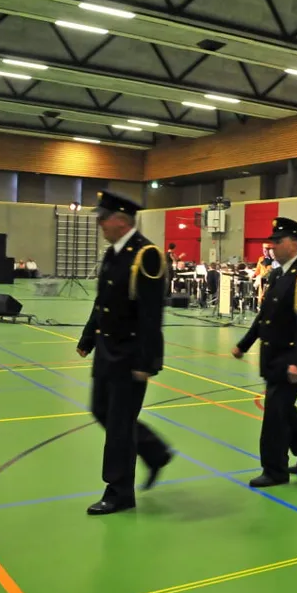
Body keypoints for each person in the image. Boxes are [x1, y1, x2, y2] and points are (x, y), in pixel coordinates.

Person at [76, 191, 172, 515]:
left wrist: (146, 361)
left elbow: (151, 314)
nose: (100, 224)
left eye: (104, 218)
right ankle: (155, 451)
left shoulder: (146, 256)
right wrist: (88, 337)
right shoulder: (113, 253)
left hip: (130, 354)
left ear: (121, 220)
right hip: (107, 349)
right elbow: (102, 301)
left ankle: (118, 492)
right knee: (101, 410)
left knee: (119, 424)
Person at [232, 217, 297, 488]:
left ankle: (275, 471)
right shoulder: (277, 274)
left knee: (275, 414)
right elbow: (265, 316)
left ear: (294, 244)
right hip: (273, 357)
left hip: (292, 357)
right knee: (283, 409)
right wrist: (244, 344)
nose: (272, 245)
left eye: (278, 241)